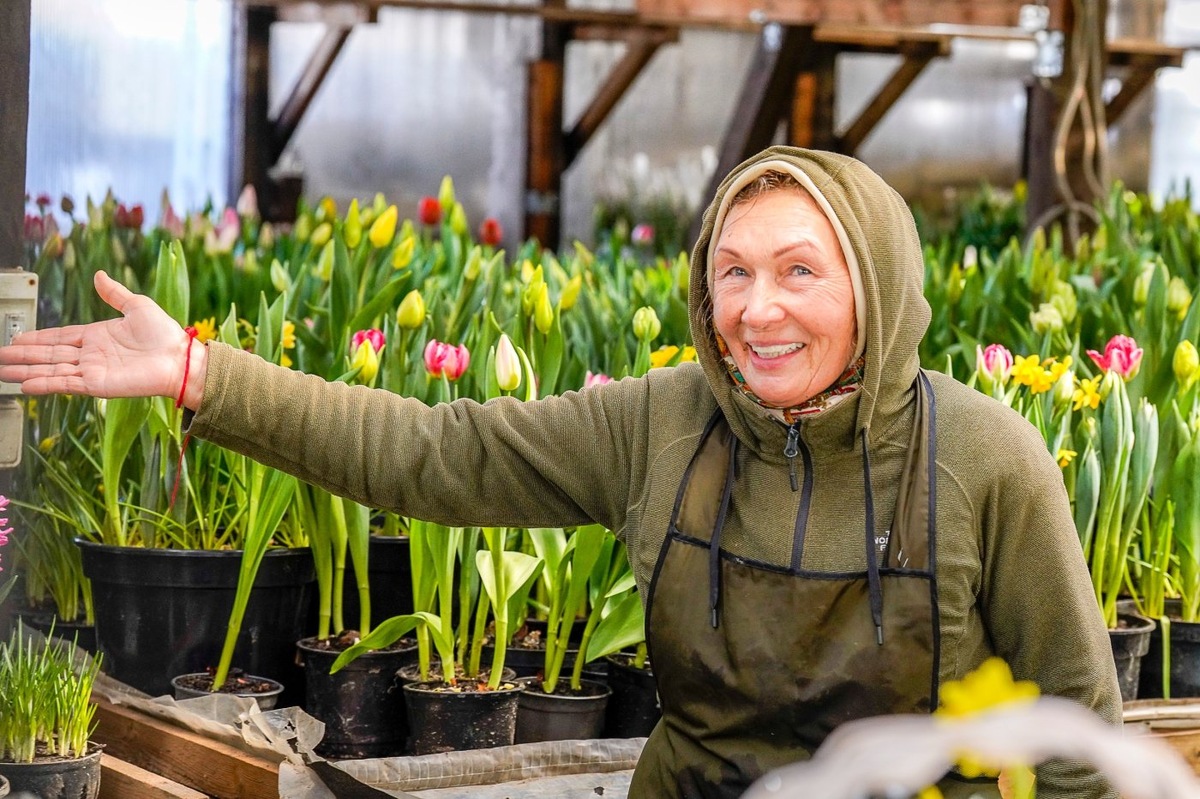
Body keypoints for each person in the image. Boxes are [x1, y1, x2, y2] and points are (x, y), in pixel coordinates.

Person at [0, 146, 1120, 798]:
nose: (756, 308)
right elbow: (435, 453)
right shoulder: (663, 425)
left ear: (876, 284)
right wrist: (203, 374)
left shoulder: (981, 458)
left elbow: (1080, 733)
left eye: (798, 271)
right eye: (731, 271)